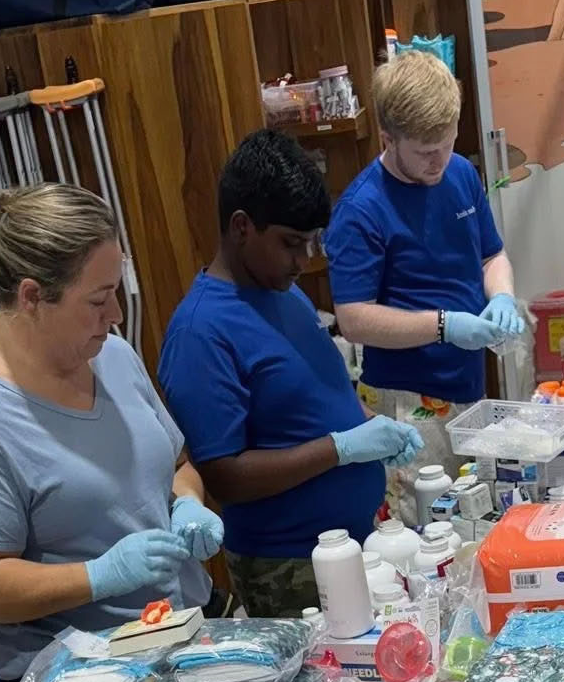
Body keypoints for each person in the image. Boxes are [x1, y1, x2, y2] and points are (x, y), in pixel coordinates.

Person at [0, 182, 223, 682]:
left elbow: (176, 463)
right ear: (33, 296)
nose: (116, 315)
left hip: (182, 635)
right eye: (98, 300)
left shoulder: (111, 356)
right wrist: (96, 577)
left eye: (116, 290)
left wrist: (187, 504)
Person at [159, 130, 423, 617]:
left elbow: (316, 392)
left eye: (311, 242)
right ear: (242, 227)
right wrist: (341, 448)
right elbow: (225, 476)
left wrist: (372, 428)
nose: (304, 260)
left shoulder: (283, 291)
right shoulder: (201, 332)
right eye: (290, 243)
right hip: (288, 568)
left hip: (356, 541)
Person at [327, 51, 523, 471]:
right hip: (405, 401)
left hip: (469, 387)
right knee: (426, 509)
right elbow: (353, 319)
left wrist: (503, 297)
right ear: (388, 139)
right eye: (425, 152)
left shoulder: (461, 174)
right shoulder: (361, 210)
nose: (439, 161)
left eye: (447, 144)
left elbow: (491, 255)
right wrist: (443, 326)